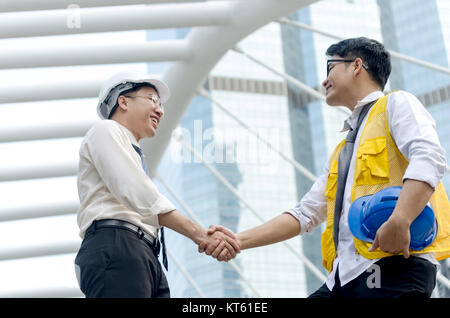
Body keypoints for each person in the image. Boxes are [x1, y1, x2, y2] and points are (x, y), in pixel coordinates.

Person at [203, 37, 450, 298]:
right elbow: (305, 213)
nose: (323, 81)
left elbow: (429, 156)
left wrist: (401, 218)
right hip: (343, 278)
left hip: (392, 266)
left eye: (330, 67)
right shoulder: (341, 153)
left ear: (356, 66)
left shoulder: (397, 104)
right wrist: (238, 240)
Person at [74, 71, 241, 298]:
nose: (160, 110)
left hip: (141, 252)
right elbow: (137, 192)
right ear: (123, 101)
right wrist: (199, 234)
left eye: (160, 104)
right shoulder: (106, 130)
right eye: (152, 100)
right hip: (118, 245)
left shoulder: (130, 147)